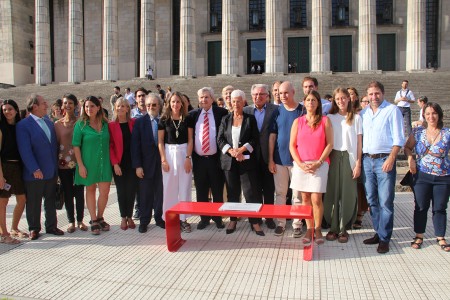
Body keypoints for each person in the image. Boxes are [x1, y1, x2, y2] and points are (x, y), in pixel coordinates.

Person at [360, 81, 404, 254]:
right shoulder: (364, 113)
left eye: (377, 93)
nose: (374, 97)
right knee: (372, 200)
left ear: (383, 93)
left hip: (384, 159)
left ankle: (385, 238)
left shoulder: (392, 111)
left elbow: (398, 138)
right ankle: (379, 232)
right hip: (367, 161)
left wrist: (392, 158)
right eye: (371, 94)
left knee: (385, 201)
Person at [404, 102, 450, 252]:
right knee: (421, 206)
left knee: (440, 207)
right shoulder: (417, 132)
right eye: (428, 113)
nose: (431, 116)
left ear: (439, 115)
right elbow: (407, 147)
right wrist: (410, 159)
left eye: (434, 113)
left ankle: (440, 236)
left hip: (443, 176)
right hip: (422, 175)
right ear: (424, 115)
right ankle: (419, 235)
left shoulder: (447, 133)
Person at [17, 94, 64, 240]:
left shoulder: (49, 122)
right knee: (34, 202)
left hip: (51, 171)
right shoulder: (23, 125)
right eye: (44, 103)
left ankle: (51, 226)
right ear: (35, 106)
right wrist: (34, 169)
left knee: (50, 199)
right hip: (35, 173)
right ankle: (34, 228)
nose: (47, 105)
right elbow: (25, 150)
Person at [289, 90, 333, 244]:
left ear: (318, 103)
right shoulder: (298, 122)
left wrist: (319, 162)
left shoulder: (325, 121)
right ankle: (309, 229)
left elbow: (329, 144)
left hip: (319, 164)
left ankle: (318, 228)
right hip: (302, 165)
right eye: (308, 100)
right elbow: (292, 146)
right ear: (304, 102)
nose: (311, 103)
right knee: (305, 198)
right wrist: (300, 164)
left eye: (314, 100)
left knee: (316, 198)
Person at [218, 90, 264, 236]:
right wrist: (231, 151)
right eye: (233, 101)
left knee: (250, 193)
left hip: (246, 161)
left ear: (244, 102)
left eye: (238, 101)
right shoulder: (225, 119)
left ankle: (254, 222)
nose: (235, 104)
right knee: (233, 192)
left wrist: (242, 150)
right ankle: (233, 220)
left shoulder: (250, 119)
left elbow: (254, 139)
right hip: (229, 162)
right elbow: (220, 139)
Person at [323, 88, 362, 243]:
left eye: (344, 98)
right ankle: (332, 226)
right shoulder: (329, 118)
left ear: (349, 99)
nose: (341, 101)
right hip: (333, 156)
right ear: (334, 100)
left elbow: (359, 143)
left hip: (349, 157)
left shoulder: (357, 118)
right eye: (338, 99)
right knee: (332, 191)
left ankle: (343, 227)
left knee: (347, 192)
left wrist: (358, 163)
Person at [268, 81, 304, 236]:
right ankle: (281, 223)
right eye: (280, 93)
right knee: (280, 193)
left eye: (286, 93)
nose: (282, 96)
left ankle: (297, 223)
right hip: (279, 160)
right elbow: (272, 137)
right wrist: (270, 159)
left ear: (293, 92)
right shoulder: (277, 111)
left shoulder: (302, 110)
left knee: (297, 194)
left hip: (298, 161)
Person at [73, 96, 112, 235]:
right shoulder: (80, 125)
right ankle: (93, 219)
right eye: (86, 106)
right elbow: (76, 146)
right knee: (90, 190)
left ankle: (100, 216)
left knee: (105, 192)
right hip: (88, 162)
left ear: (98, 107)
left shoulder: (105, 123)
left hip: (104, 162)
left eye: (92, 106)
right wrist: (81, 165)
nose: (89, 109)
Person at [189, 87, 227, 230]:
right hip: (199, 160)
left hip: (215, 160)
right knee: (201, 190)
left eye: (206, 97)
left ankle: (218, 218)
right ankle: (204, 218)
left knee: (217, 190)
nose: (203, 100)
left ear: (212, 99)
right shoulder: (192, 115)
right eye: (201, 97)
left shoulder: (221, 113)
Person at [158, 92, 193, 232]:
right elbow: (160, 141)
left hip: (184, 152)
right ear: (169, 103)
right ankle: (170, 218)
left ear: (182, 104)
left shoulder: (188, 119)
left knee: (184, 187)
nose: (175, 104)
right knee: (169, 188)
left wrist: (188, 158)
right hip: (169, 153)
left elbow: (190, 140)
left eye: (178, 102)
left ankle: (183, 219)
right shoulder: (164, 120)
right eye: (173, 102)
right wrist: (163, 159)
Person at [244, 84, 278, 229]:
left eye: (262, 94)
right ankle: (255, 219)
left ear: (267, 96)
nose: (258, 97)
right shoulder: (245, 111)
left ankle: (269, 218)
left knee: (269, 189)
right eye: (255, 94)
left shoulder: (275, 110)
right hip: (250, 158)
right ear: (251, 96)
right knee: (254, 190)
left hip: (269, 156)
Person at [131, 93, 165, 233]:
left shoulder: (164, 121)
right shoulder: (139, 122)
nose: (151, 107)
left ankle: (159, 218)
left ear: (159, 106)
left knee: (160, 193)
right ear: (145, 106)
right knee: (145, 194)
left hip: (161, 164)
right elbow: (135, 146)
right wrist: (137, 166)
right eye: (149, 105)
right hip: (145, 165)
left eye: (154, 105)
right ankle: (144, 221)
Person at [54, 94, 87, 233]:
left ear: (75, 106)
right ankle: (70, 221)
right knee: (67, 193)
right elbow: (55, 145)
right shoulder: (57, 124)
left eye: (71, 103)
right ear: (62, 105)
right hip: (63, 165)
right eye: (65, 103)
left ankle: (80, 220)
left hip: (79, 163)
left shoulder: (80, 123)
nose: (68, 105)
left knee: (79, 193)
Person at [0, 100, 27, 244]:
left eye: (10, 109)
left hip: (18, 167)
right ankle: (3, 234)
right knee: (2, 202)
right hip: (4, 167)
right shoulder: (1, 128)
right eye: (4, 109)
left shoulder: (19, 127)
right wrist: (0, 176)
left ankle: (14, 228)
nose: (7, 112)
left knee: (22, 199)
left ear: (16, 110)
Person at [109, 98, 137, 230]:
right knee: (121, 191)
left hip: (132, 162)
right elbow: (110, 146)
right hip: (119, 163)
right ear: (115, 108)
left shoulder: (134, 123)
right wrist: (115, 164)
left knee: (131, 190)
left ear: (127, 108)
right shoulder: (111, 125)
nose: (120, 108)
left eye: (123, 106)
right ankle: (123, 217)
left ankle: (130, 216)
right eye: (118, 106)